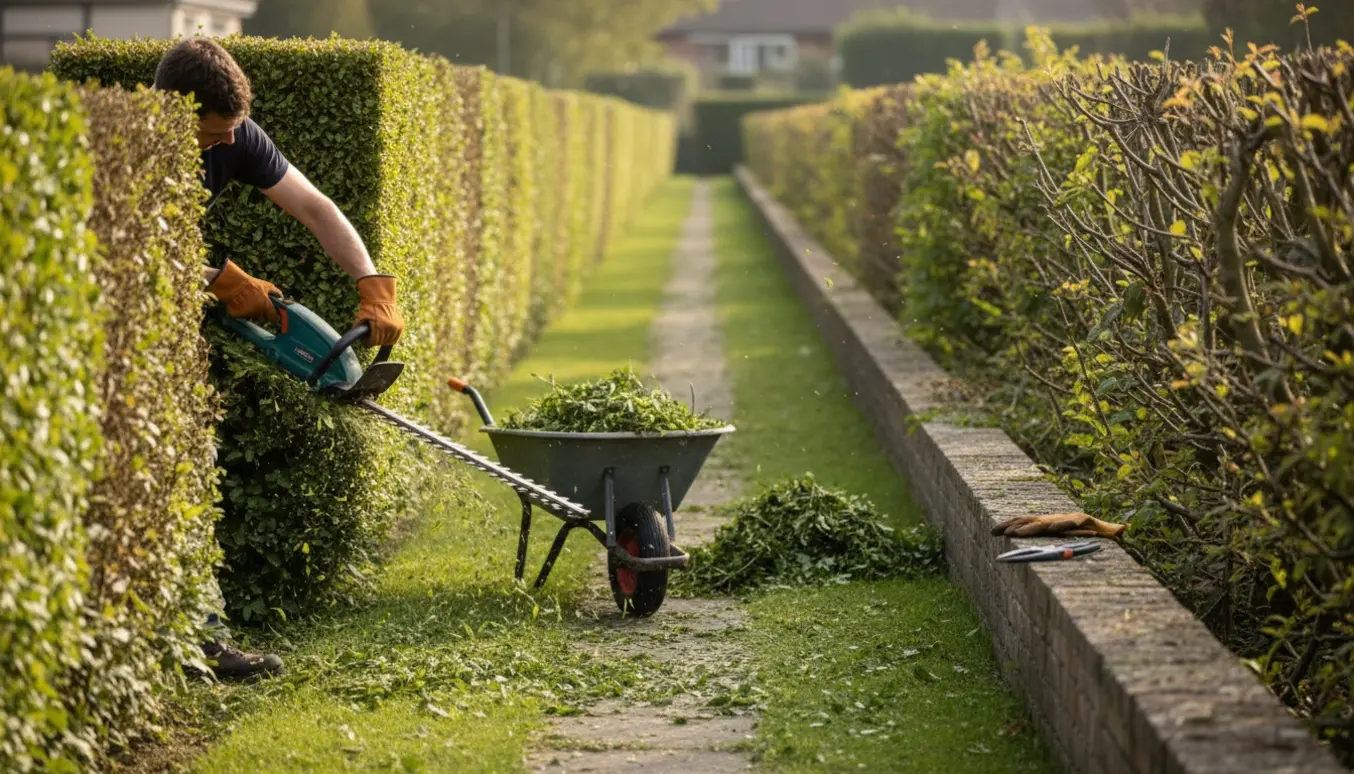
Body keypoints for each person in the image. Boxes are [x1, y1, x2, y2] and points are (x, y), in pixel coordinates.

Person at [152, 36, 407, 680]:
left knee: (188, 466)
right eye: (212, 137)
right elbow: (117, 243)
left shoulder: (235, 135)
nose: (220, 148)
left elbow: (316, 208)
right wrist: (217, 278)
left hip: (170, 317)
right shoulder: (137, 144)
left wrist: (372, 286)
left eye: (228, 135)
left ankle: (196, 641)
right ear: (173, 113)